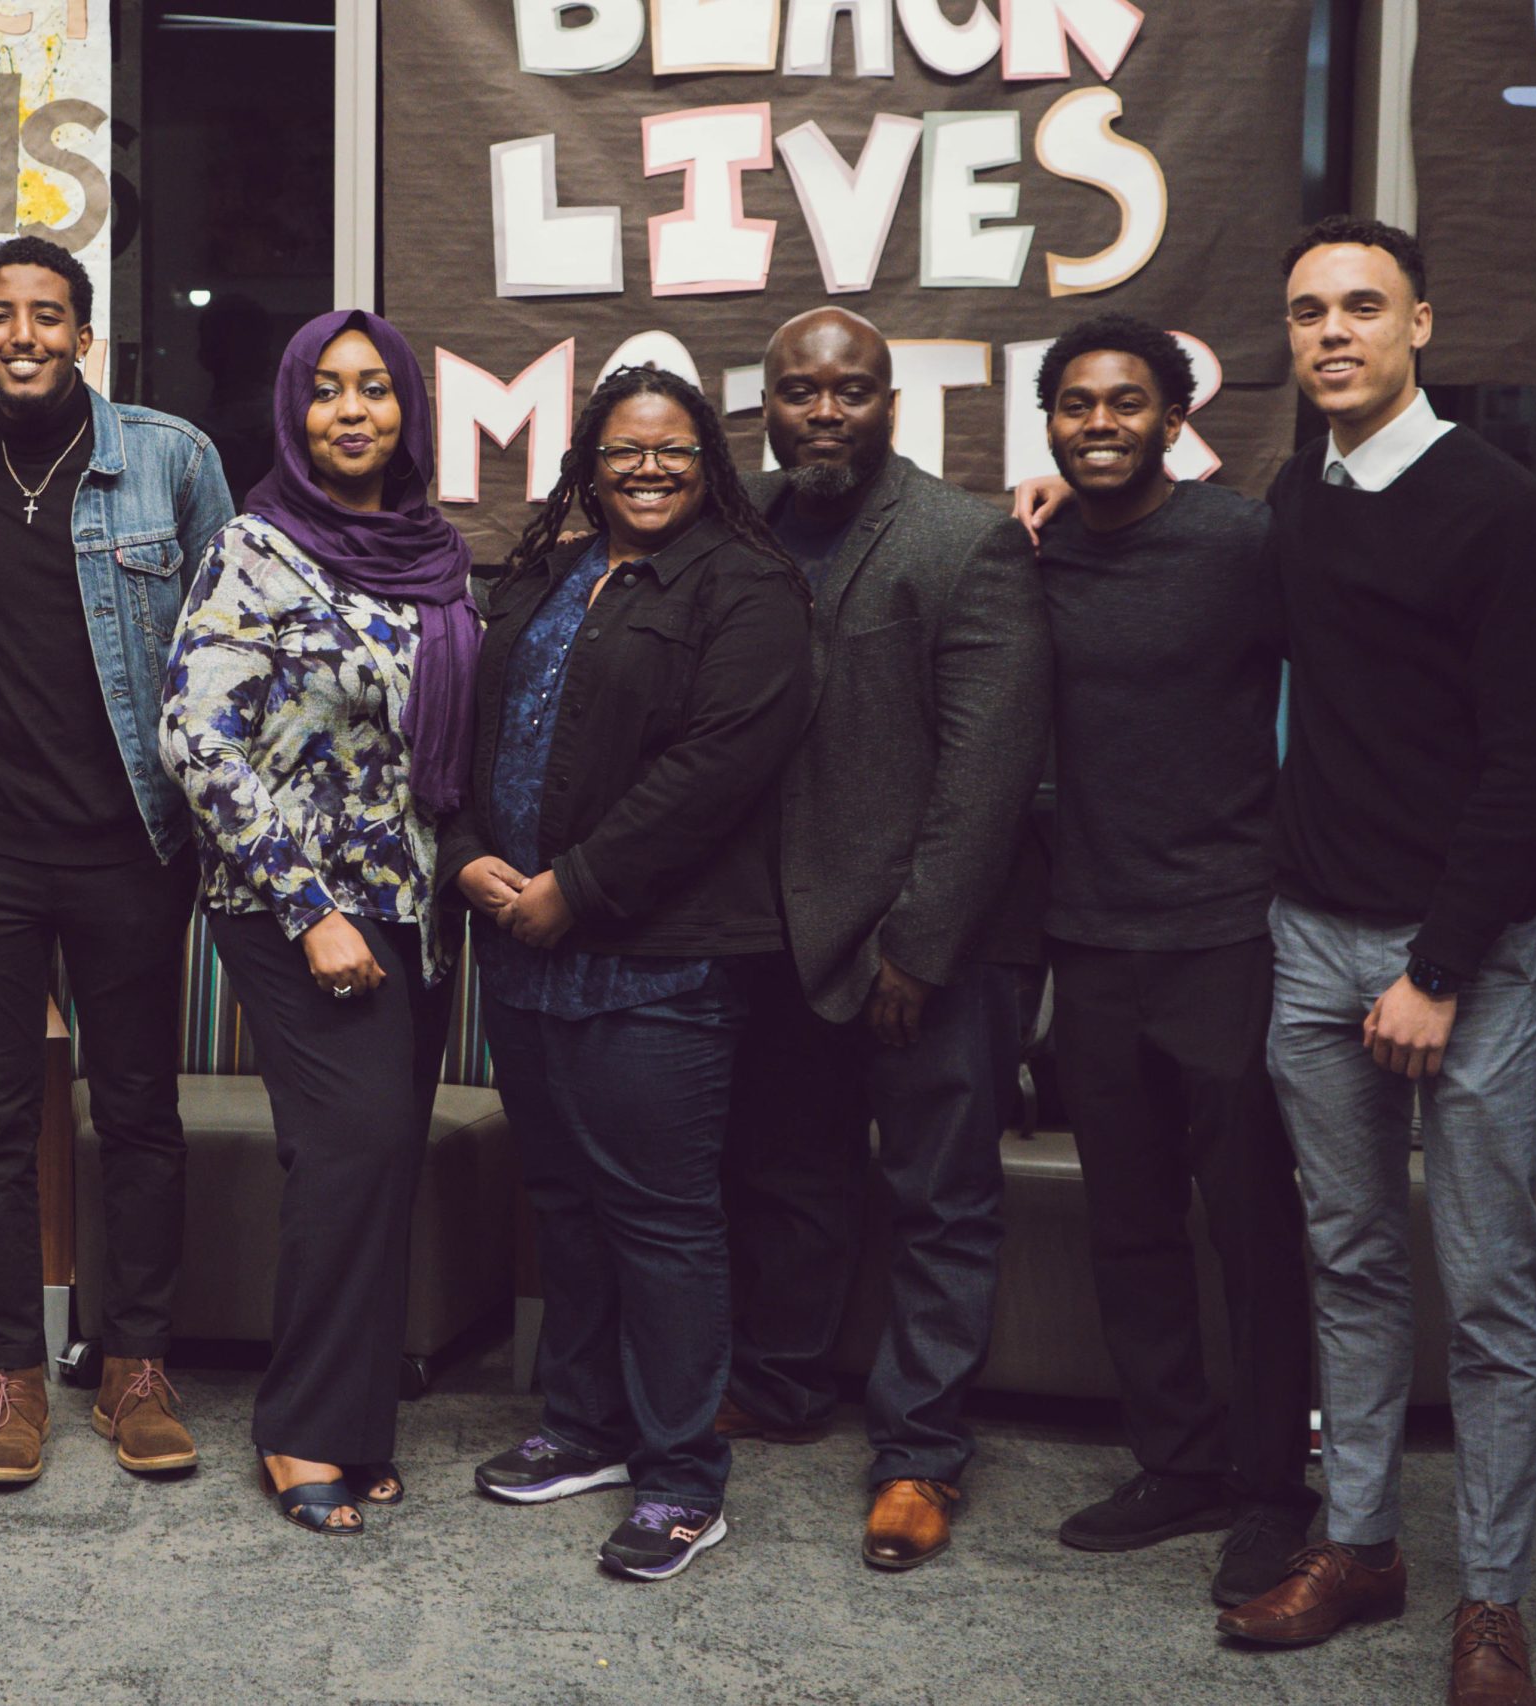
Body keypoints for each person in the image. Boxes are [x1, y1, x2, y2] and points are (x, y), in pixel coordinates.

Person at [1210, 219, 1536, 1706]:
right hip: (1309, 938)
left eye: (1363, 306)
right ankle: (1359, 1541)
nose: (1333, 332)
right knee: (1349, 1259)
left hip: (1461, 953)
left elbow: (1530, 765)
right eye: (1308, 312)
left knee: (1485, 1286)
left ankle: (1492, 1599)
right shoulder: (1304, 490)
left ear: (1422, 321)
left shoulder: (1513, 515)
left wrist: (1433, 968)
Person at [454, 365, 813, 1581]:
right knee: (562, 1198)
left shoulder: (748, 586)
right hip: (519, 951)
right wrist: (469, 860)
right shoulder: (551, 573)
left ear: (706, 458)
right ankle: (588, 1426)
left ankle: (679, 1476)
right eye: (622, 451)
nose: (646, 468)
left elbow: (718, 768)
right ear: (589, 462)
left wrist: (578, 888)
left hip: (658, 963)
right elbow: (473, 731)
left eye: (670, 449)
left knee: (662, 1220)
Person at [0, 234, 233, 1486]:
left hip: (130, 842)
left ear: (84, 334)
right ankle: (12, 1376)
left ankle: (138, 1365)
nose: (22, 334)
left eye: (47, 314)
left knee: (139, 1109)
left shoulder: (171, 459)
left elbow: (223, 643)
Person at [721, 307, 1049, 1572]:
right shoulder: (735, 520)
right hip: (783, 932)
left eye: (849, 391)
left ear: (889, 402)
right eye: (799, 390)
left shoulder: (964, 539)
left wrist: (918, 943)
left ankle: (919, 1453)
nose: (823, 412)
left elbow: (989, 766)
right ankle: (785, 1382)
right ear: (765, 401)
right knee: (789, 1174)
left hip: (937, 943)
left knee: (937, 1199)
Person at [161, 309, 478, 1535]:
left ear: (406, 410)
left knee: (378, 1162)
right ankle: (300, 1428)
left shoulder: (435, 553)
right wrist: (309, 909)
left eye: (377, 390)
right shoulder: (255, 549)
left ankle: (353, 1422)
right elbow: (196, 735)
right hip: (302, 907)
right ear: (293, 411)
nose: (354, 411)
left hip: (413, 906)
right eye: (328, 391)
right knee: (349, 1154)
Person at [1025, 314, 1317, 1606]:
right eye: (1077, 403)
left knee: (1253, 1228)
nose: (1099, 422)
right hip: (1088, 939)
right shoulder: (1028, 553)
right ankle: (1178, 1463)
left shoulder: (1243, 542)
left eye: (1125, 402)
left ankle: (1272, 1489)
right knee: (1131, 1224)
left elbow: (1357, 698)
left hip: (1225, 933)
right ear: (1050, 421)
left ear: (1171, 417)